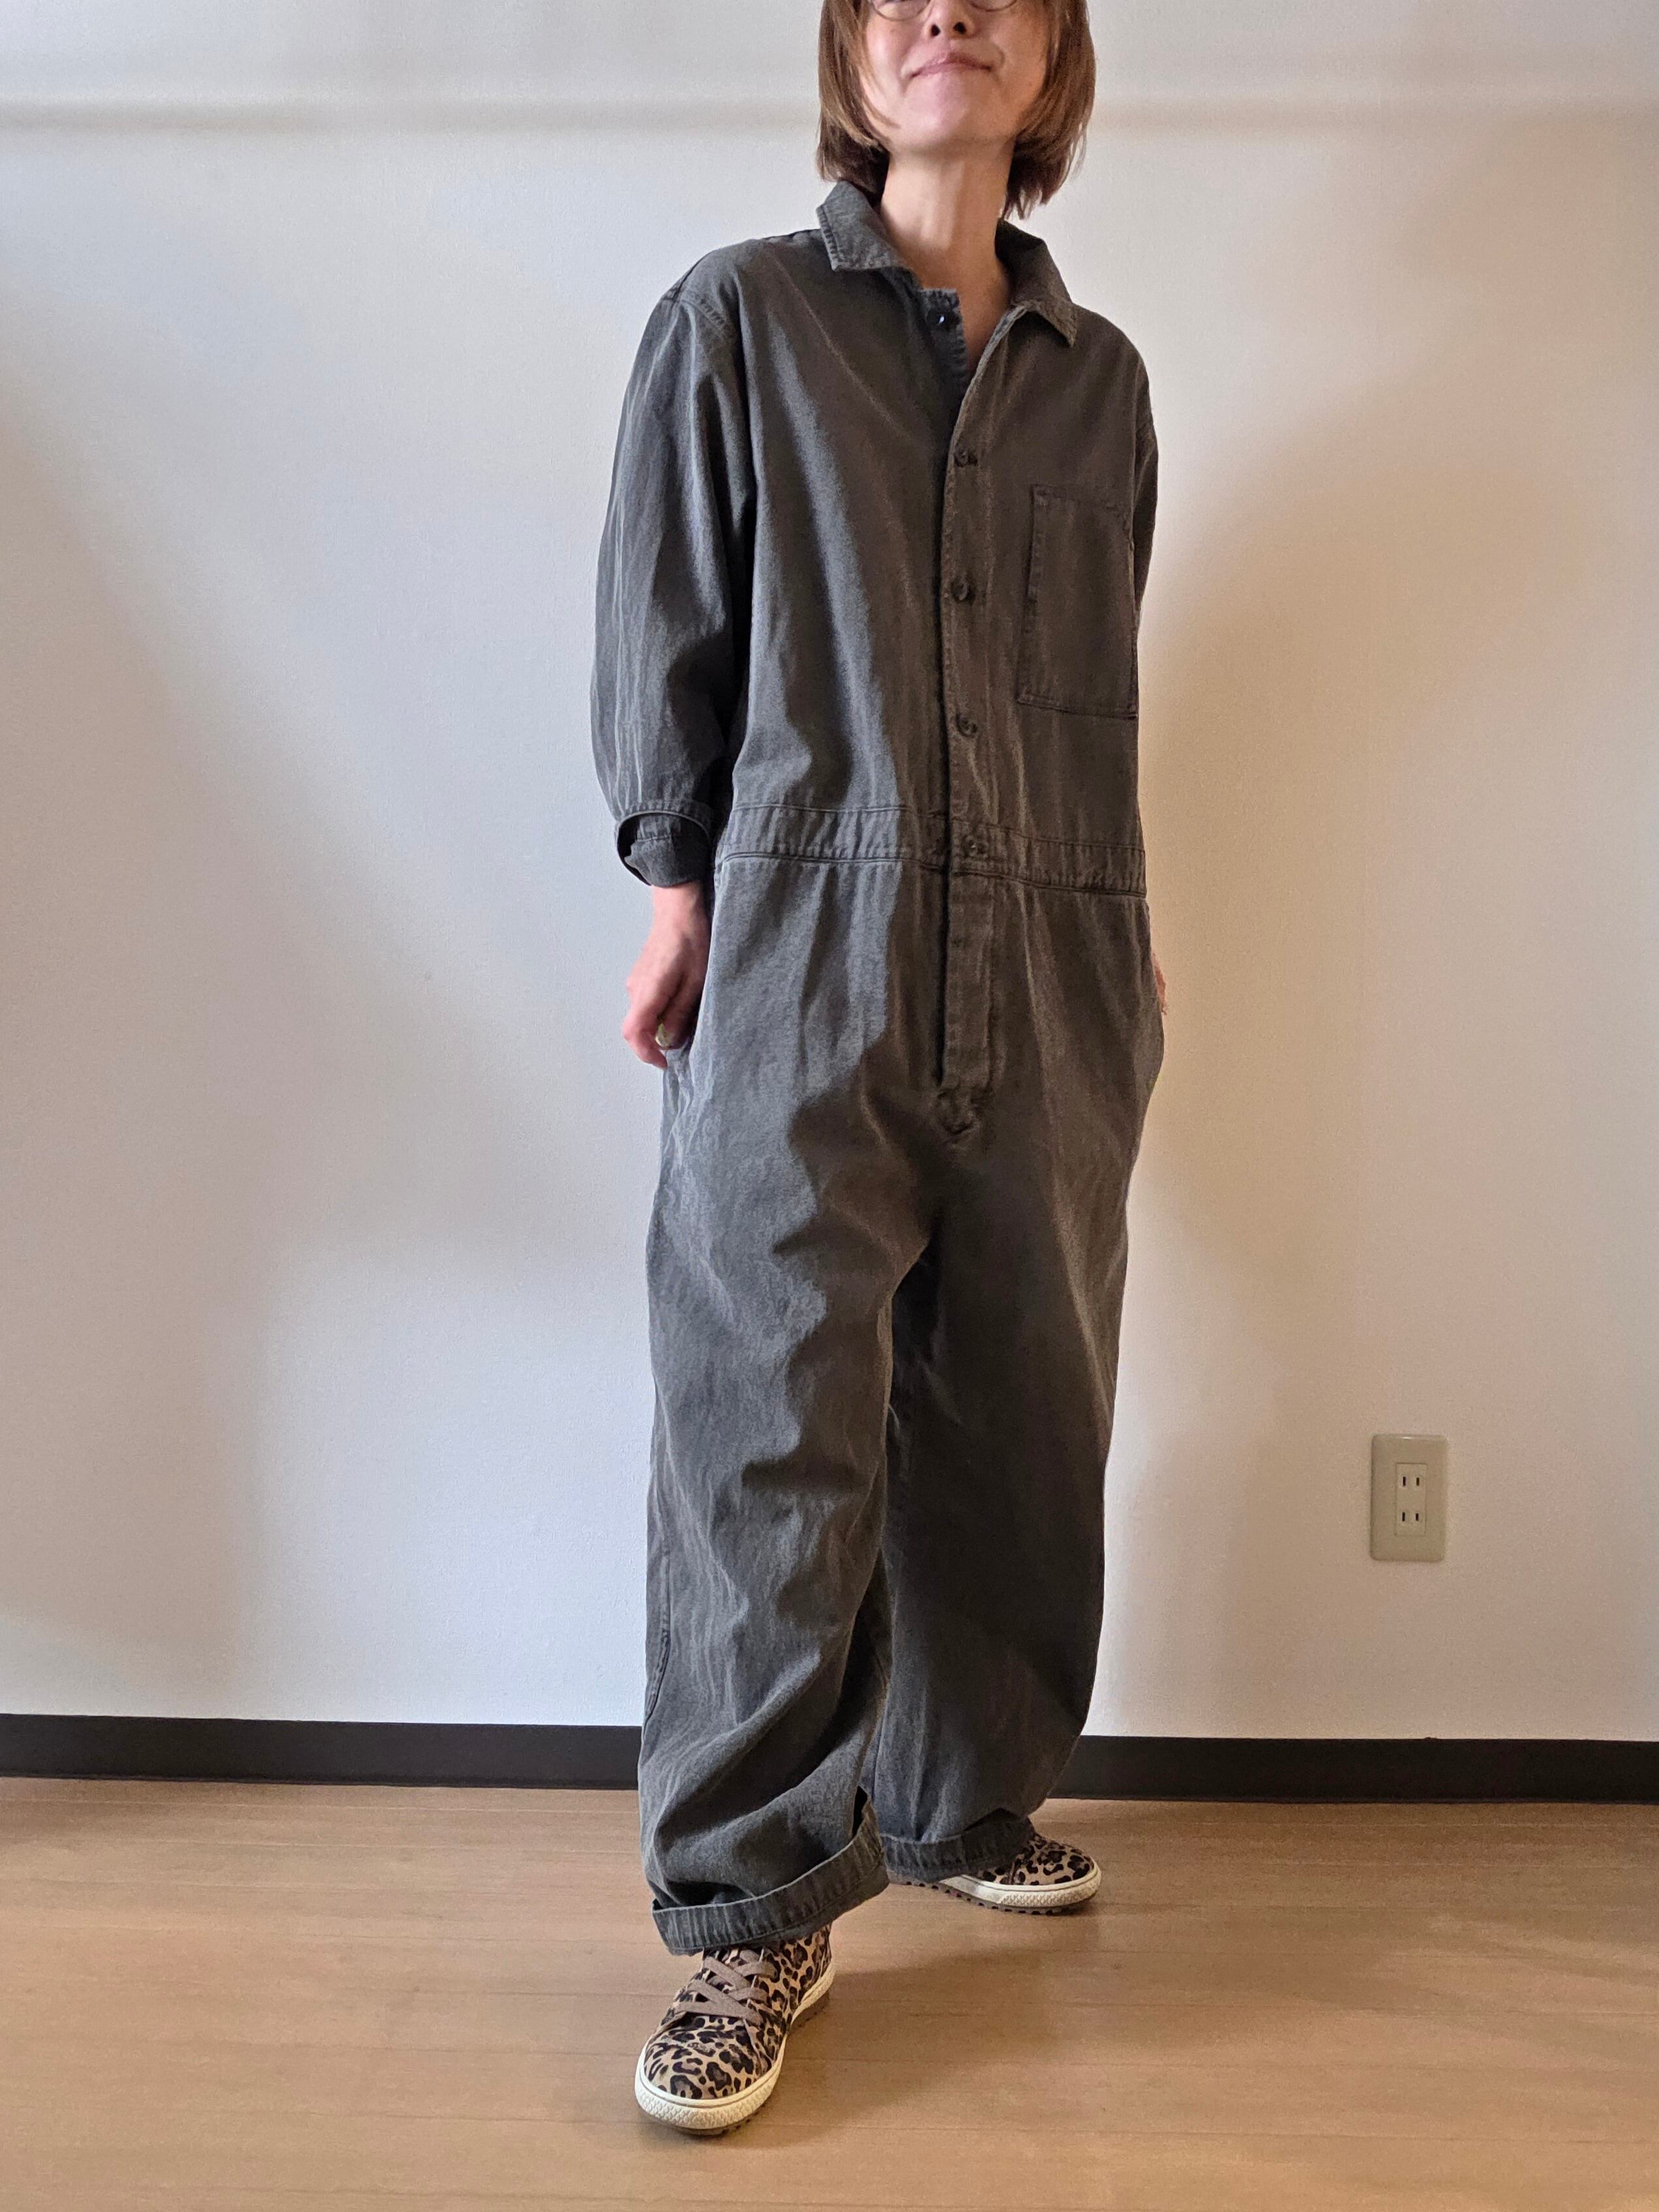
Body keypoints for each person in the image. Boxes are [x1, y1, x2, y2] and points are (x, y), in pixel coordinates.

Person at [590, 0, 1167, 2136]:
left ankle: (960, 1797)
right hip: (800, 934)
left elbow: (1092, 680)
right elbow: (670, 625)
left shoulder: (1102, 385)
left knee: (1024, 1397)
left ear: (1052, 58)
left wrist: (1117, 912)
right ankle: (753, 1914)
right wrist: (679, 890)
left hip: (1061, 934)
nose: (950, 11)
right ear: (850, 54)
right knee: (771, 1418)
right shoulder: (738, 322)